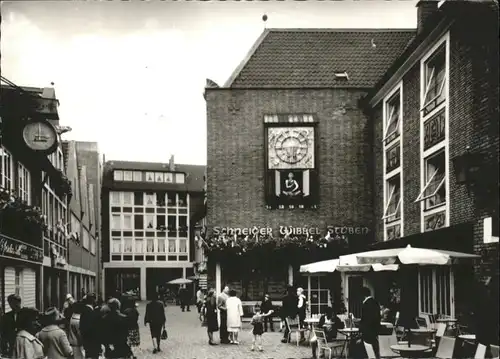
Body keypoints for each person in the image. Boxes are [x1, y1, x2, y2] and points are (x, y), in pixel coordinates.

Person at [359, 287, 381, 359]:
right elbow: (378, 317)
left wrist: (361, 329)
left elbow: (365, 319)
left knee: (367, 351)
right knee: (375, 350)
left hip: (367, 331)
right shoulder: (375, 302)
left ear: (363, 295)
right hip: (375, 330)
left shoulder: (366, 304)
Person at [79, 293, 101, 359]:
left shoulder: (84, 310)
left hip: (87, 341)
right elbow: (94, 329)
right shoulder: (91, 312)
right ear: (93, 300)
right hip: (92, 342)